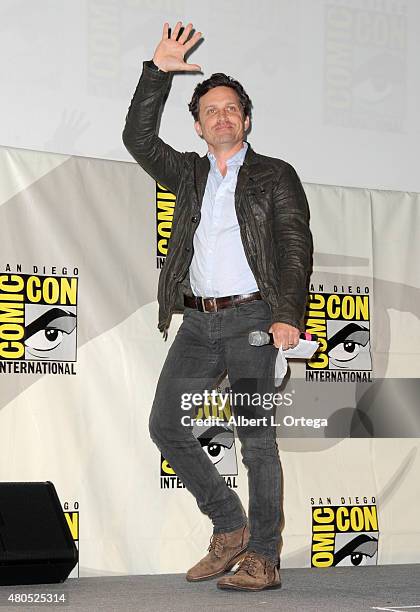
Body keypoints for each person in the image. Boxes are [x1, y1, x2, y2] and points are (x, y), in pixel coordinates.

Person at [122, 21, 313, 591]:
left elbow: (294, 248)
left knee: (255, 437)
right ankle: (230, 526)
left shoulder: (275, 175)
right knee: (165, 425)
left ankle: (264, 556)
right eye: (211, 111)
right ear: (200, 126)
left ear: (246, 120)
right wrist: (157, 72)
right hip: (198, 322)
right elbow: (138, 140)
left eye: (232, 109)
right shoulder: (188, 174)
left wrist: (288, 314)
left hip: (255, 318)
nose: (222, 117)